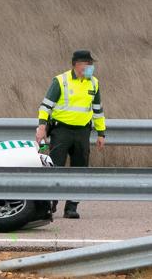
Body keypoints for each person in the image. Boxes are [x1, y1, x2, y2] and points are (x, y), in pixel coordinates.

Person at [35, 50, 106, 219]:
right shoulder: (61, 81)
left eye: (91, 65)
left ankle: (71, 207)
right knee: (55, 167)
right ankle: (50, 204)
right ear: (77, 65)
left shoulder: (94, 83)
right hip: (61, 131)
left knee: (80, 170)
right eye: (87, 65)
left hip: (83, 132)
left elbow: (98, 110)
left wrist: (101, 133)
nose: (91, 68)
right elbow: (45, 106)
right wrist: (42, 126)